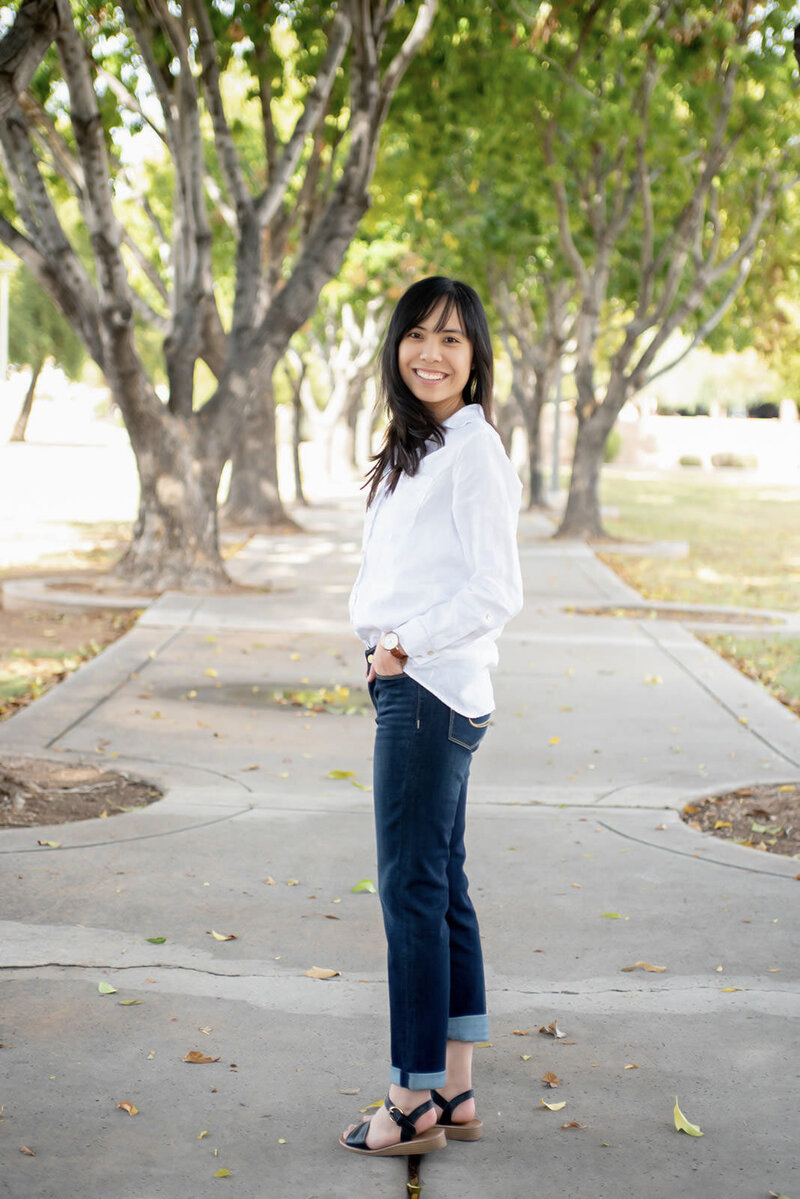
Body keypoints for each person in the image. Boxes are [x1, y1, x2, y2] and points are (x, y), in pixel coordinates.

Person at [341, 276, 523, 1157]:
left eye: (452, 338)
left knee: (409, 891)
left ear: (477, 354)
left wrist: (401, 646)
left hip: (429, 690)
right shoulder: (424, 444)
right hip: (418, 686)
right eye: (417, 334)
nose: (432, 352)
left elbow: (497, 590)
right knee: (440, 887)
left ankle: (408, 1099)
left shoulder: (473, 450)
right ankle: (454, 1088)